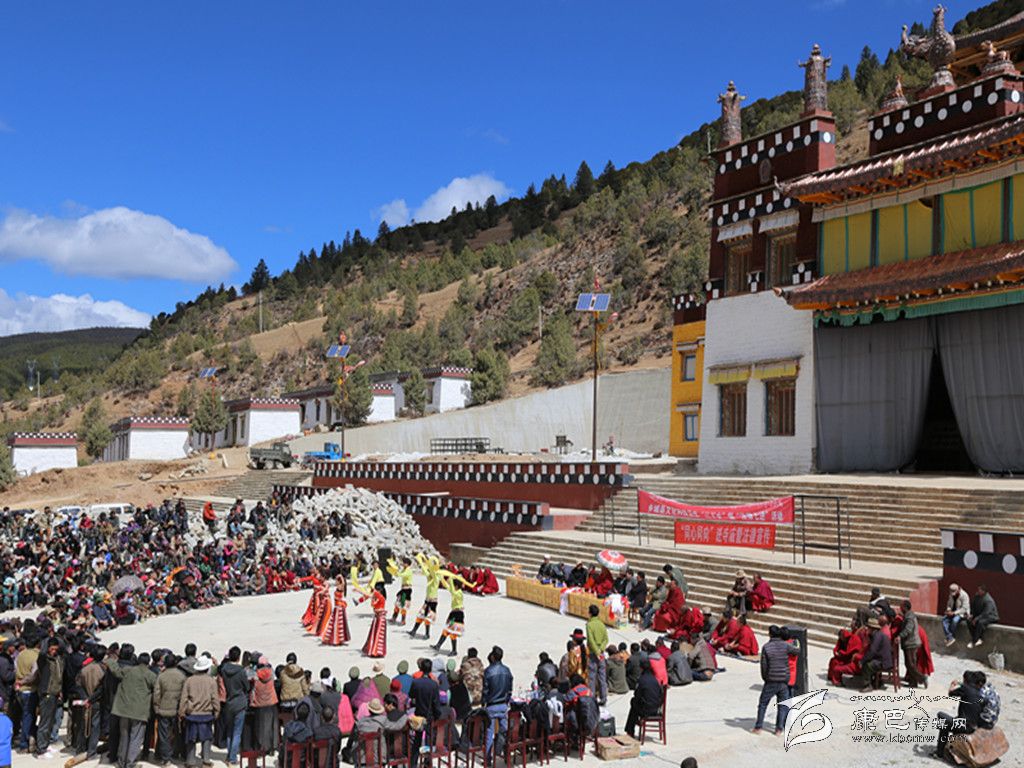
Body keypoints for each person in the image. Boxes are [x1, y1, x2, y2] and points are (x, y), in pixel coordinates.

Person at [109, 644, 156, 768]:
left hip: (123, 710)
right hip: (139, 712)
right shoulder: (150, 675)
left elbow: (115, 671)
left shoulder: (128, 670)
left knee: (124, 736)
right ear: (148, 662)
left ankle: (121, 762)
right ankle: (130, 763)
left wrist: (109, 660)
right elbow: (157, 690)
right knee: (136, 738)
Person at [752, 626, 799, 735]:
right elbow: (797, 651)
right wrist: (796, 642)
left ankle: (758, 727)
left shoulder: (766, 647)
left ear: (770, 634)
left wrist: (766, 678)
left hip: (771, 679)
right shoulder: (786, 646)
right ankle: (779, 729)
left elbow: (764, 666)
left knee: (763, 704)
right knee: (782, 705)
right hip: (784, 680)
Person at [934, 670, 989, 758]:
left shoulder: (966, 689)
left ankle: (940, 752)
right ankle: (947, 748)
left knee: (941, 716)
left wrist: (952, 684)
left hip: (964, 725)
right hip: (973, 727)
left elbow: (951, 693)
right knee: (949, 723)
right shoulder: (981, 694)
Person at [179, 655, 220, 768]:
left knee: (191, 739)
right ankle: (206, 760)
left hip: (192, 714)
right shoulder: (211, 681)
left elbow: (184, 698)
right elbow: (215, 698)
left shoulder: (189, 680)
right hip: (206, 713)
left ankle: (190, 761)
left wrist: (181, 712)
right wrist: (217, 711)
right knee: (206, 738)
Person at [218, 646, 251, 765]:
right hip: (239, 702)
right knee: (237, 732)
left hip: (229, 702)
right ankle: (232, 758)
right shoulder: (241, 671)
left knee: (230, 731)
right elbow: (247, 687)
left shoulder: (224, 669)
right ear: (238, 657)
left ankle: (229, 755)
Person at [153, 652, 185, 765]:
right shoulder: (182, 676)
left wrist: (156, 707)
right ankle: (175, 753)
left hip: (163, 709)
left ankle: (165, 758)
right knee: (176, 733)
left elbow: (157, 694)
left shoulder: (161, 676)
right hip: (176, 709)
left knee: (163, 735)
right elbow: (184, 695)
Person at [408, 658, 441, 768]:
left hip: (419, 714)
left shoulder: (416, 682)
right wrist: (437, 715)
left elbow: (411, 695)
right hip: (430, 715)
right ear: (430, 669)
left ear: (421, 669)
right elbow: (436, 702)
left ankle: (413, 763)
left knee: (417, 741)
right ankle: (428, 762)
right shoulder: (434, 684)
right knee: (429, 740)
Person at [482, 646, 512, 761]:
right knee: (505, 732)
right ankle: (506, 755)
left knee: (489, 733)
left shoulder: (488, 671)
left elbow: (485, 690)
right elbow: (510, 689)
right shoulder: (507, 670)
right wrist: (506, 701)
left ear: (493, 657)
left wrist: (484, 703)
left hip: (492, 705)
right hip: (503, 705)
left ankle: (488, 759)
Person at [624, 659, 662, 739]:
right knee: (635, 703)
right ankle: (631, 727)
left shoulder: (642, 680)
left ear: (641, 668)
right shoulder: (655, 679)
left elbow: (637, 695)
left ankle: (630, 730)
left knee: (633, 703)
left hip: (646, 710)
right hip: (656, 708)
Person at [433, 572, 468, 657]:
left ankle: (454, 650)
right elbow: (448, 587)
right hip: (453, 614)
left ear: (457, 586)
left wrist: (451, 579)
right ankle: (438, 645)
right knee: (446, 630)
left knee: (453, 633)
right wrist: (442, 578)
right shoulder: (455, 591)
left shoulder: (459, 593)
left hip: (458, 615)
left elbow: (452, 591)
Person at [409, 555, 442, 640]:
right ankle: (414, 630)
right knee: (420, 616)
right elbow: (425, 571)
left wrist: (429, 564)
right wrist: (420, 561)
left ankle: (427, 634)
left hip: (433, 601)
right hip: (427, 600)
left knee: (428, 618)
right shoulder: (430, 577)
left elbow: (432, 573)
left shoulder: (436, 577)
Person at [859, 618, 893, 692]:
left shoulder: (877, 636)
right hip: (883, 659)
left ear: (872, 628)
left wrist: (862, 661)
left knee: (866, 665)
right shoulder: (878, 634)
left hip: (883, 662)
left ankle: (868, 685)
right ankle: (875, 681)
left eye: (868, 628)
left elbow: (872, 651)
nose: (867, 629)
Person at [896, 601, 924, 688]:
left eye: (901, 607)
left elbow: (908, 629)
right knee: (910, 664)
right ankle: (913, 682)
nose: (900, 608)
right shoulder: (908, 615)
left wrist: (900, 636)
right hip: (910, 643)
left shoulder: (910, 617)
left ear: (905, 607)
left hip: (911, 643)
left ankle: (922, 678)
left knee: (910, 664)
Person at [584, 604, 608, 706]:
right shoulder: (602, 624)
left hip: (593, 653)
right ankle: (603, 697)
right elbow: (606, 639)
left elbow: (590, 640)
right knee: (602, 676)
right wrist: (601, 650)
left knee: (592, 677)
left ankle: (592, 698)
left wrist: (596, 652)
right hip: (601, 653)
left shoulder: (589, 625)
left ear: (590, 613)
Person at [387, 557, 414, 625]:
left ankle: (403, 620)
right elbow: (398, 574)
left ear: (407, 564)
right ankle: (394, 617)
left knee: (403, 605)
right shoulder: (404, 569)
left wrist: (396, 571)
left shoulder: (409, 570)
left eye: (404, 563)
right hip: (403, 589)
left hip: (407, 590)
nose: (403, 564)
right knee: (397, 604)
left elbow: (401, 575)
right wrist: (392, 570)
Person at [362, 589, 388, 658]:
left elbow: (372, 594)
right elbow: (371, 599)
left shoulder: (381, 598)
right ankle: (373, 650)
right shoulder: (376, 598)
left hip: (380, 618)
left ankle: (377, 651)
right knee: (374, 634)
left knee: (378, 635)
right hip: (377, 617)